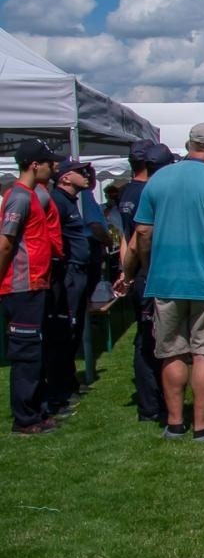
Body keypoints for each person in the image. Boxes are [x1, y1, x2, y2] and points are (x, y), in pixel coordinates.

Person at [116, 122, 204, 442]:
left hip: (165, 280)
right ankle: (203, 425)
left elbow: (143, 233)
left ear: (189, 144)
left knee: (171, 353)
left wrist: (145, 267)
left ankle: (175, 423)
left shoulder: (158, 180)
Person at [2, 140, 64, 434]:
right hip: (21, 287)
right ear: (33, 164)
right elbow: (5, 243)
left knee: (34, 352)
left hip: (35, 284)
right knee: (26, 354)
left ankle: (37, 411)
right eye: (47, 162)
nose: (53, 168)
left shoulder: (30, 195)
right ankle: (24, 419)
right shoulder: (19, 197)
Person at [115, 141, 177, 422]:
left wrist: (125, 273)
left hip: (137, 271)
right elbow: (141, 237)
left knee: (147, 339)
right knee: (157, 341)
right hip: (151, 271)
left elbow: (124, 240)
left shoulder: (127, 191)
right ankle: (155, 407)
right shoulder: (150, 192)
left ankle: (152, 404)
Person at [44, 155, 100, 414]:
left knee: (72, 332)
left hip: (77, 273)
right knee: (64, 333)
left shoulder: (69, 201)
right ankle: (59, 391)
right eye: (79, 171)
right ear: (65, 176)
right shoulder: (57, 202)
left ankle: (68, 383)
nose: (86, 175)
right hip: (68, 274)